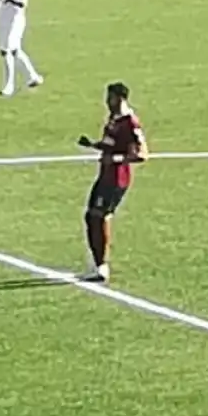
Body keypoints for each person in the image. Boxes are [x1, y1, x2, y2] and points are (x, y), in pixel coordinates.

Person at [76, 82, 145, 283]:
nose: (107, 102)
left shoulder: (130, 122)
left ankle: (101, 266)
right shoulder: (114, 119)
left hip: (117, 178)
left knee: (99, 216)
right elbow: (112, 145)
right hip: (105, 176)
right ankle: (98, 263)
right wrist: (93, 145)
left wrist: (114, 159)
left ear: (120, 98)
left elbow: (141, 154)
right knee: (91, 217)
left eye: (110, 98)